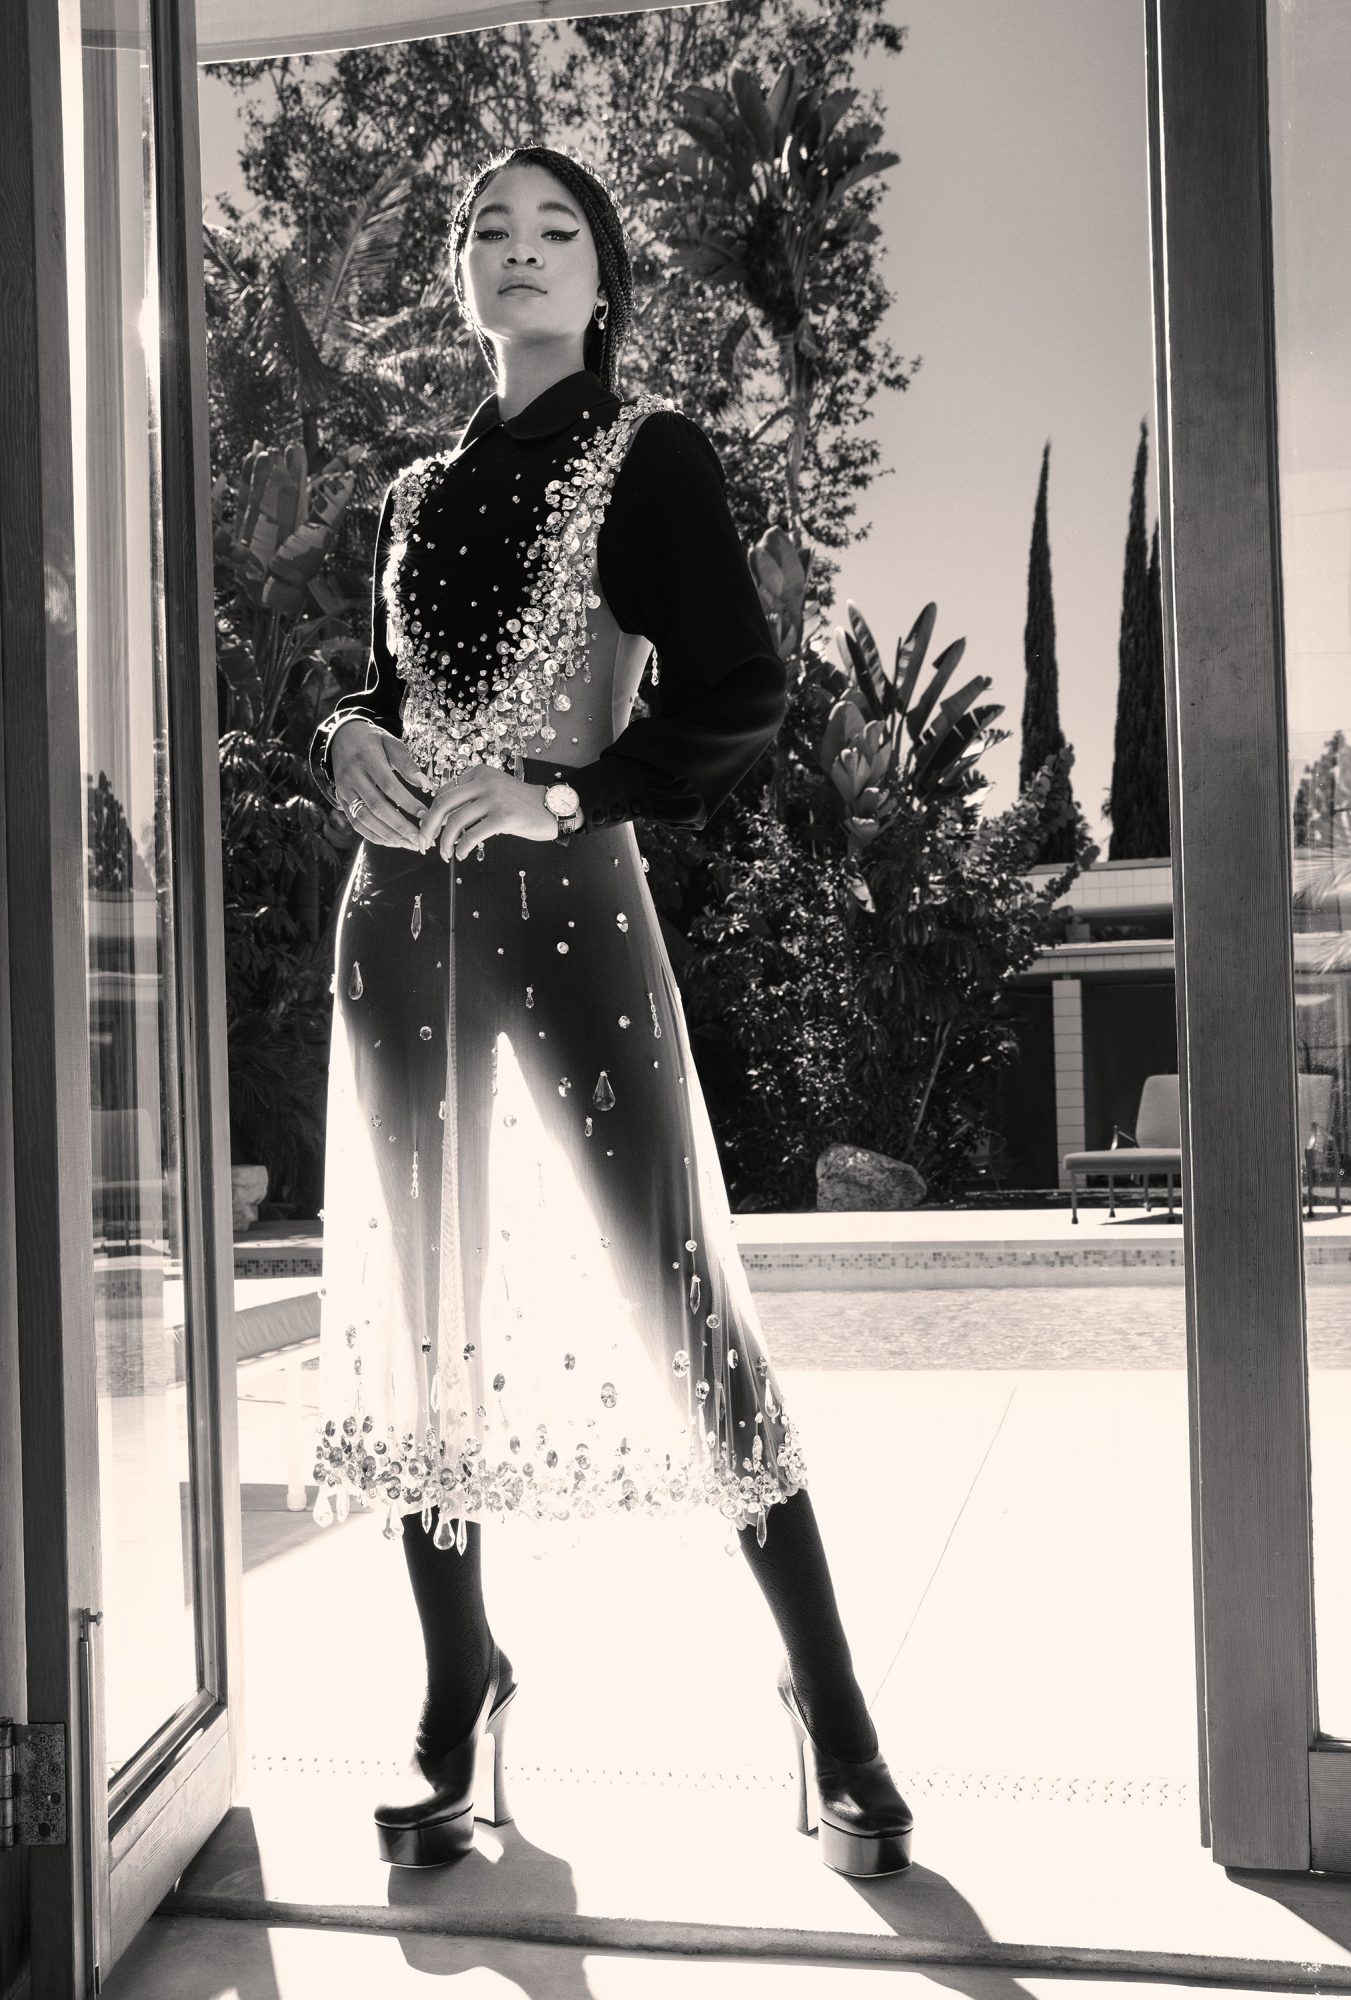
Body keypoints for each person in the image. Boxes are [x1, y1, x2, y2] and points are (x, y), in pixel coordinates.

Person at [306, 142, 911, 1881]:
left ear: (601, 276)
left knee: (681, 1295)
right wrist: (343, 739)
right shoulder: (414, 493)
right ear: (458, 275)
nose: (519, 249)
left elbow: (742, 693)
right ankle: (459, 1692)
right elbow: (387, 689)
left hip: (571, 913)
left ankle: (834, 1707)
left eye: (554, 227)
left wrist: (565, 796)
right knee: (426, 1319)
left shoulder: (651, 458)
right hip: (396, 929)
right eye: (487, 229)